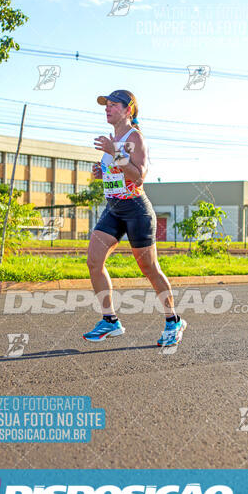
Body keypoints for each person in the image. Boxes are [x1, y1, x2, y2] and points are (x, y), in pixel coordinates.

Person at [83, 89, 187, 349]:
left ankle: (173, 320)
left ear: (128, 110)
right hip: (114, 208)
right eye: (105, 105)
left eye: (113, 105)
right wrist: (100, 171)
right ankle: (110, 320)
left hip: (136, 210)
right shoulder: (113, 139)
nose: (107, 109)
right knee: (94, 261)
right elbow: (117, 172)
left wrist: (114, 151)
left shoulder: (135, 138)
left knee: (149, 269)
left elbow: (139, 176)